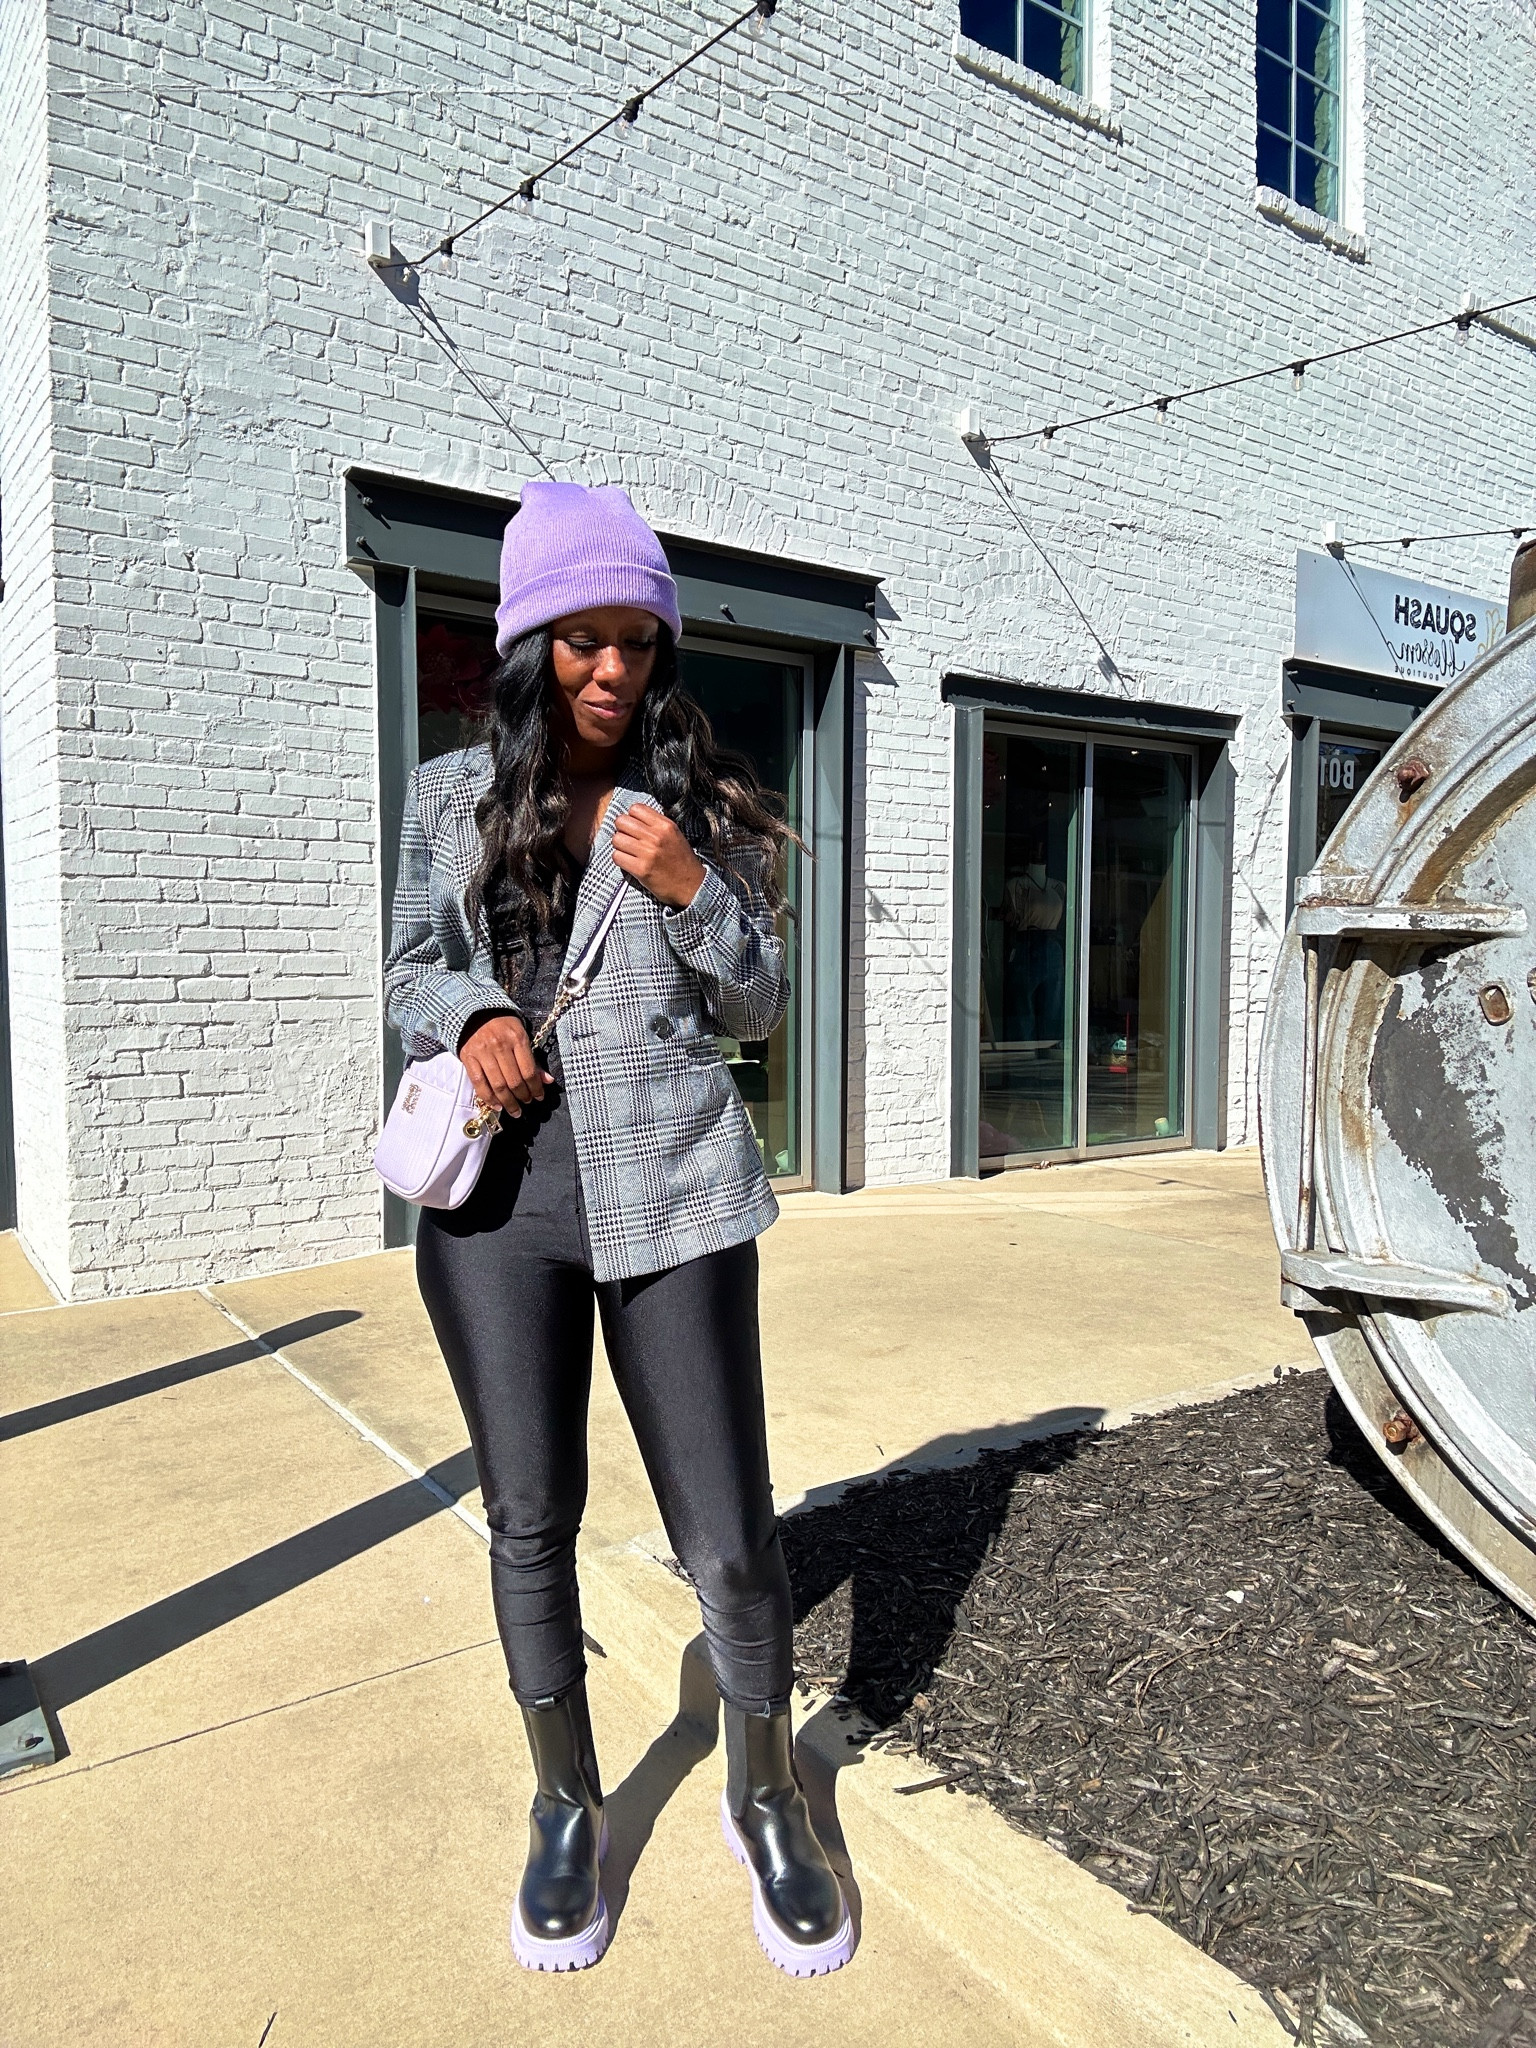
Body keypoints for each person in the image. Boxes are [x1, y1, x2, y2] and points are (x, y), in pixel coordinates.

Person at [384, 480, 853, 1979]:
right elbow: (406, 968)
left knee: (728, 1529)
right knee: (532, 1518)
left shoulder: (697, 809)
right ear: (532, 646)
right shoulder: (450, 796)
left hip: (683, 1197)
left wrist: (692, 887)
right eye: (580, 640)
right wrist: (467, 1022)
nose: (608, 671)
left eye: (633, 642)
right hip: (504, 1215)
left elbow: (763, 1002)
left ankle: (766, 1789)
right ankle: (565, 1799)